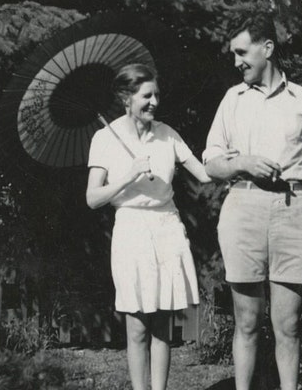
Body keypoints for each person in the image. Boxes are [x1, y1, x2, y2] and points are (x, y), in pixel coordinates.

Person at [203, 14, 302, 390]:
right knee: (246, 322)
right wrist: (242, 162)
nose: (237, 61)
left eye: (242, 52)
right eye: (234, 55)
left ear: (268, 49)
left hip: (294, 212)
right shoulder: (233, 99)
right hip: (243, 210)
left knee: (288, 325)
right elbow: (211, 164)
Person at [86, 63, 211, 390]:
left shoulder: (167, 134)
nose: (154, 101)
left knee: (161, 327)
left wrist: (238, 162)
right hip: (132, 232)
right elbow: (92, 197)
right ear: (126, 97)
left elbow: (204, 173)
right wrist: (128, 175)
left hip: (167, 229)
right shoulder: (104, 138)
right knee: (137, 327)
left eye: (157, 94)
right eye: (146, 95)